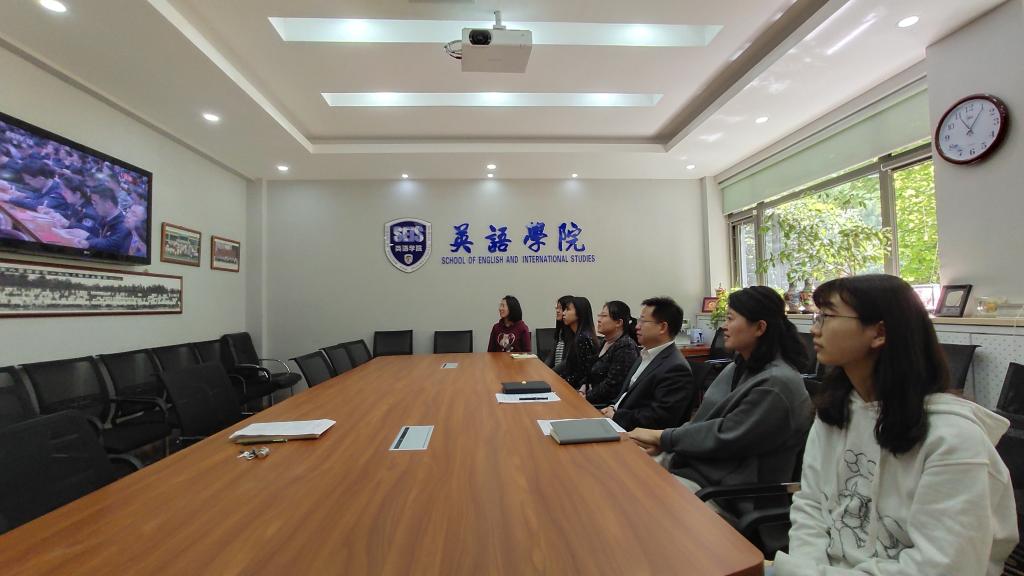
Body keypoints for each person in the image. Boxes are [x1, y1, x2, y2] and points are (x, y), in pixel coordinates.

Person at [771, 274, 1017, 575]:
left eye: (827, 316)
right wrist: (803, 568)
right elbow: (811, 505)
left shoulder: (953, 439)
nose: (814, 328)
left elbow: (943, 568)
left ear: (879, 332)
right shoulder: (835, 412)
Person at [628, 286, 813, 495]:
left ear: (759, 328)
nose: (724, 326)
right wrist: (667, 444)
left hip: (725, 491)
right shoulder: (737, 367)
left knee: (631, 494)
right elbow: (703, 421)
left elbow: (725, 437)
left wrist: (664, 438)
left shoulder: (777, 383)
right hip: (695, 467)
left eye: (730, 319)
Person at [601, 296, 694, 431]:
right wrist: (612, 407)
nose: (637, 326)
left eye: (643, 321)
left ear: (662, 327)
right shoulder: (645, 354)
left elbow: (660, 419)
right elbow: (626, 394)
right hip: (615, 421)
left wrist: (617, 416)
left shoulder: (676, 368)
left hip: (635, 434)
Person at [583, 300, 639, 407]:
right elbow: (590, 372)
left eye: (604, 316)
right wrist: (583, 388)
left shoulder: (625, 346)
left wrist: (586, 397)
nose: (599, 320)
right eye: (599, 315)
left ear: (619, 323)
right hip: (590, 398)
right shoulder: (605, 341)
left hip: (605, 406)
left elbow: (612, 387)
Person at [556, 296, 598, 390]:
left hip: (579, 390)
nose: (563, 313)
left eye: (568, 309)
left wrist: (560, 383)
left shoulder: (583, 338)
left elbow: (582, 373)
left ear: (579, 313)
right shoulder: (577, 336)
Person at [75, 185, 131, 254]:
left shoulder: (123, 225)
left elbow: (109, 243)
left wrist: (88, 242)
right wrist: (74, 227)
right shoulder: (103, 216)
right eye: (93, 203)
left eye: (95, 203)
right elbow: (94, 232)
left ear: (108, 205)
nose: (94, 206)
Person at [545, 295, 574, 371]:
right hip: (555, 373)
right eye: (556, 308)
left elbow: (566, 362)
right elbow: (551, 356)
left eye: (560, 308)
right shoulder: (560, 331)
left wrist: (551, 372)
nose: (557, 311)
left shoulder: (573, 332)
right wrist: (543, 369)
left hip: (563, 374)